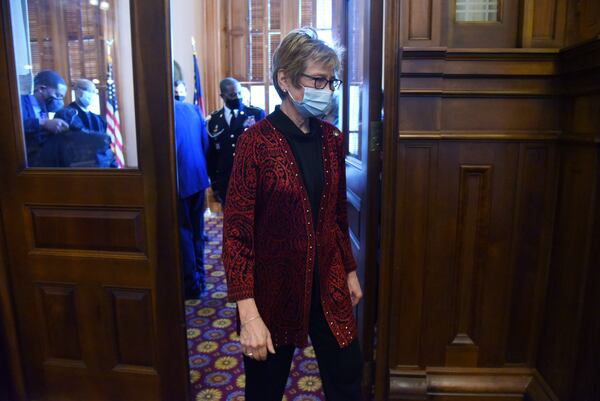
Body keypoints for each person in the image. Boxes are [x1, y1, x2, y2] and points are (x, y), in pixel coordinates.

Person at [223, 28, 363, 401]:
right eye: (317, 80)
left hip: (329, 283)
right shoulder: (255, 143)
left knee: (348, 377)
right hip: (273, 291)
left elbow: (336, 216)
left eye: (330, 81)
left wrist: (349, 270)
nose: (326, 90)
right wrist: (248, 314)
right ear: (284, 80)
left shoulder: (332, 139)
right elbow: (236, 235)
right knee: (265, 389)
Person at [207, 77, 265, 204]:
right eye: (233, 95)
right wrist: (215, 185)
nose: (238, 97)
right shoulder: (213, 120)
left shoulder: (256, 114)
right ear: (222, 96)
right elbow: (212, 156)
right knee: (230, 220)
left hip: (252, 179)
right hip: (225, 182)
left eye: (239, 93)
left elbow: (265, 150)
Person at [174, 99, 210, 299]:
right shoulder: (191, 108)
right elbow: (205, 143)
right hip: (197, 177)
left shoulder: (161, 112)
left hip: (179, 182)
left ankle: (191, 285)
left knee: (184, 234)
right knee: (197, 232)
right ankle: (201, 277)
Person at [54, 79, 117, 168]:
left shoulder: (97, 119)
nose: (92, 95)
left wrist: (113, 166)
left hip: (100, 166)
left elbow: (105, 146)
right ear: (78, 91)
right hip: (76, 167)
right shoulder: (66, 114)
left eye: (94, 92)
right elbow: (77, 139)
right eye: (89, 91)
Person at [20, 70, 69, 166]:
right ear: (41, 89)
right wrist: (43, 123)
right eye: (57, 95)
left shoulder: (43, 108)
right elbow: (14, 127)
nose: (60, 100)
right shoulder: (20, 102)